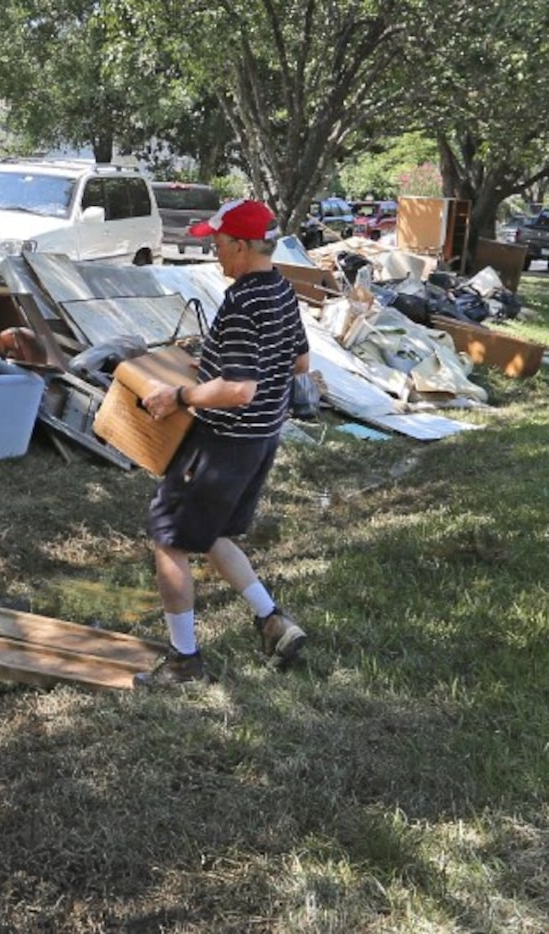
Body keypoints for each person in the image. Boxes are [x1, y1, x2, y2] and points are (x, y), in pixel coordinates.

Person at [134, 198, 311, 687]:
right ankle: (272, 620)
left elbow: (238, 390)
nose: (214, 253)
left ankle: (183, 661)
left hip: (222, 443)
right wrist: (214, 366)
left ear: (241, 244)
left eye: (217, 243)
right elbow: (298, 362)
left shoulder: (242, 300)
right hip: (260, 442)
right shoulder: (280, 289)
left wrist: (182, 395)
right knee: (211, 534)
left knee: (169, 539)